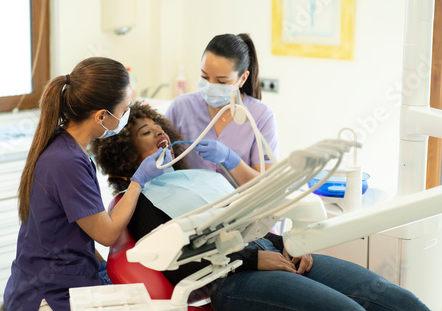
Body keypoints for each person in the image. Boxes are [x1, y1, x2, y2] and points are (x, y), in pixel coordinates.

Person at [92, 101, 430, 311]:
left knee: (397, 301)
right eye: (146, 133)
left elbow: (250, 221)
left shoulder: (198, 177)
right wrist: (255, 259)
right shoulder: (138, 202)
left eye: (158, 128)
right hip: (229, 279)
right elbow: (178, 263)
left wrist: (290, 245)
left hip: (272, 251)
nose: (159, 135)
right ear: (124, 152)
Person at [3, 57, 170, 311]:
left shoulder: (67, 147)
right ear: (102, 115)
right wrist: (139, 181)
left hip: (58, 280)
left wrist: (104, 271)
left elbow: (82, 233)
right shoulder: (67, 161)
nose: (126, 117)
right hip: (49, 296)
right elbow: (106, 233)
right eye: (124, 111)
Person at [166, 33, 279, 186]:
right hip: (189, 205)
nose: (211, 85)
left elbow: (265, 186)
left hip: (238, 207)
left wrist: (230, 159)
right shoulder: (180, 108)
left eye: (221, 81)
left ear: (242, 78)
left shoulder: (261, 116)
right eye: (205, 77)